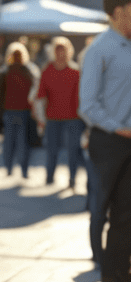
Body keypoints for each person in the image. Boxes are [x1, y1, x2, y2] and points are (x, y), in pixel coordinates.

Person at [79, 0, 131, 282]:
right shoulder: (99, 49)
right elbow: (87, 105)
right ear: (119, 12)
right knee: (109, 212)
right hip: (110, 142)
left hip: (127, 139)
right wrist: (119, 129)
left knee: (127, 214)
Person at [36, 36, 83, 188]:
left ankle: (72, 179)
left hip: (73, 118)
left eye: (63, 51)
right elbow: (40, 95)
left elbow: (80, 97)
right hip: (53, 117)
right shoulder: (47, 70)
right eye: (57, 51)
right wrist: (40, 118)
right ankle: (49, 177)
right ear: (53, 52)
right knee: (52, 150)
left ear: (69, 52)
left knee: (73, 150)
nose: (60, 54)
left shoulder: (75, 72)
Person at [0, 43, 34, 178]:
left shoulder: (9, 72)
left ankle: (13, 168)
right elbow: (0, 94)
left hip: (18, 111)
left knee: (13, 142)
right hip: (16, 111)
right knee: (18, 142)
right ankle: (17, 169)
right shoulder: (24, 71)